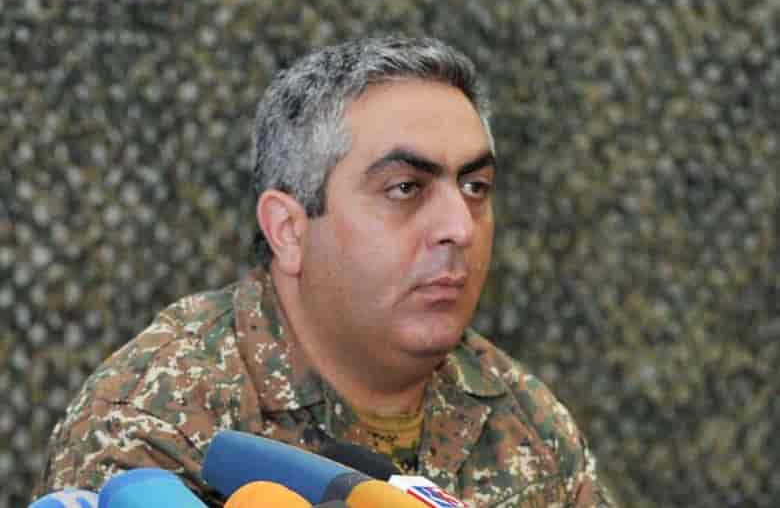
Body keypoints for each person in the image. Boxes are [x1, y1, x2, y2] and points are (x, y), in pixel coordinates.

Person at [34, 36, 616, 507]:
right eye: (405, 188)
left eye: (475, 187)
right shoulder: (157, 423)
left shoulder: (520, 411)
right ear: (289, 231)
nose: (459, 227)